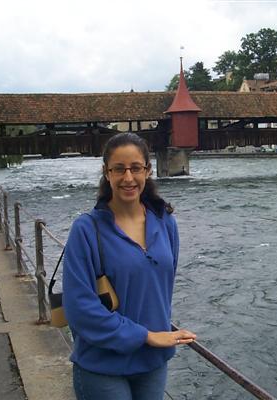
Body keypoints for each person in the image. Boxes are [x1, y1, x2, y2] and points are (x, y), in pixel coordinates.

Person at [63, 132, 196, 400]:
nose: (128, 178)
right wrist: (146, 335)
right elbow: (79, 308)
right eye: (119, 169)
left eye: (136, 168)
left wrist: (154, 338)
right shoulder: (86, 230)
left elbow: (164, 286)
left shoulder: (165, 223)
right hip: (102, 364)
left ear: (147, 171)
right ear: (106, 172)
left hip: (152, 363)